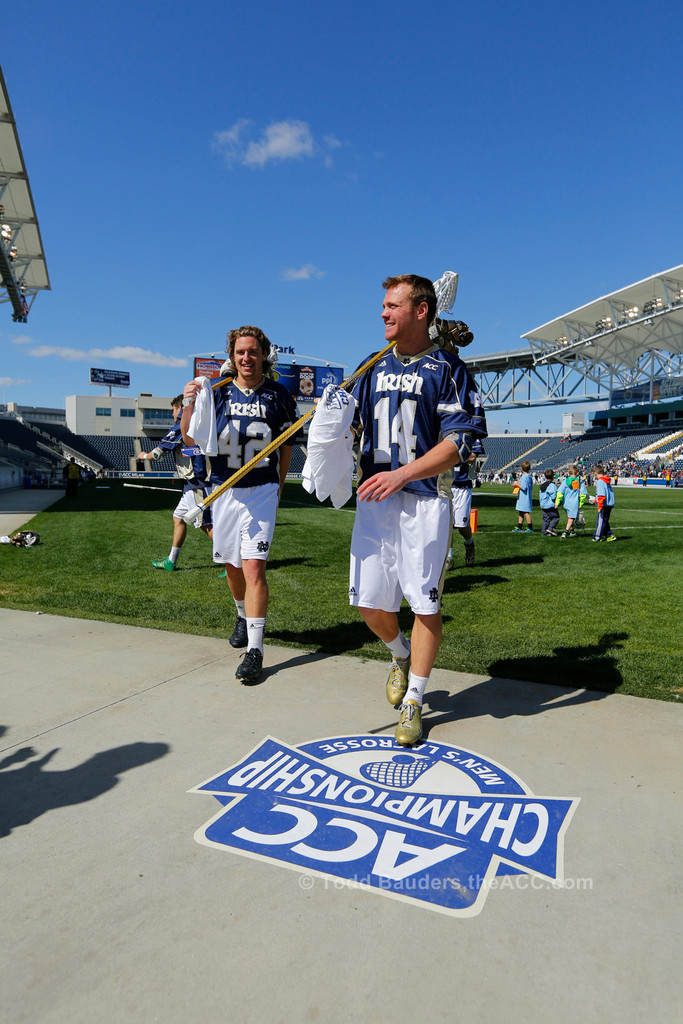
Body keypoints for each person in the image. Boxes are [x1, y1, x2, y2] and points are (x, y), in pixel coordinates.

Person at [349, 274, 487, 747]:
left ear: (421, 310)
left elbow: (460, 443)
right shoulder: (370, 366)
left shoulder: (448, 368)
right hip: (375, 500)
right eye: (384, 305)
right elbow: (350, 428)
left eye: (393, 305)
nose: (383, 313)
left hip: (426, 500)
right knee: (368, 602)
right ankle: (399, 653)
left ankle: (415, 699)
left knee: (425, 604)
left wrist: (403, 475)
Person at [181, 325, 299, 684]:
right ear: (232, 357)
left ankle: (256, 650)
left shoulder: (279, 394)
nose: (246, 358)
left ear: (263, 355)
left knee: (254, 569)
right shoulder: (216, 392)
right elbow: (189, 437)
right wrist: (188, 402)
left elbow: (286, 447)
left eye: (252, 351)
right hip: (225, 491)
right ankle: (241, 614)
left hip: (260, 490)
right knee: (232, 568)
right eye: (240, 352)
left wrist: (278, 487)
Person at [137, 395, 213, 571]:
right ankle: (171, 561)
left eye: (173, 410)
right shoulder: (197, 423)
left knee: (207, 525)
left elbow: (158, 454)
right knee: (178, 517)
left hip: (196, 483)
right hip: (192, 483)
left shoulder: (182, 425)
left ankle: (233, 564)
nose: (172, 414)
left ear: (180, 408)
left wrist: (143, 456)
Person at [445, 440, 484, 568]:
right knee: (447, 524)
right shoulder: (444, 431)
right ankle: (449, 557)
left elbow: (472, 456)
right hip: (446, 484)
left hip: (462, 486)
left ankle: (469, 543)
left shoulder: (471, 435)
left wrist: (450, 455)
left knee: (462, 526)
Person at [555, 465, 588, 538]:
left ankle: (572, 531)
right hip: (574, 503)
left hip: (566, 503)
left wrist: (557, 502)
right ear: (577, 473)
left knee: (570, 517)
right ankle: (565, 532)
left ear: (568, 473)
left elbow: (560, 493)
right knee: (571, 519)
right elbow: (583, 495)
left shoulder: (565, 482)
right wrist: (581, 504)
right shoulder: (580, 482)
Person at [590, 464, 616, 542]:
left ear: (595, 473)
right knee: (605, 520)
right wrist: (596, 500)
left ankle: (597, 537)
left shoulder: (600, 481)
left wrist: (600, 506)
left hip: (604, 504)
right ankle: (609, 535)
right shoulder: (606, 480)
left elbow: (601, 495)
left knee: (600, 521)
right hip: (609, 503)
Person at [511, 460, 533, 532]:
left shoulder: (524, 477)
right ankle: (519, 526)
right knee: (520, 511)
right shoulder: (529, 476)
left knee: (526, 512)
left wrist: (516, 484)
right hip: (524, 497)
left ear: (522, 468)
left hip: (524, 497)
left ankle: (530, 527)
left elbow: (523, 487)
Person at [539, 468, 560, 536]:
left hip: (543, 505)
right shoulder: (552, 485)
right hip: (550, 505)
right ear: (553, 476)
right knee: (556, 518)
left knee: (546, 520)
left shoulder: (543, 485)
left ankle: (544, 532)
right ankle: (550, 528)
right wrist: (556, 502)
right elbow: (553, 496)